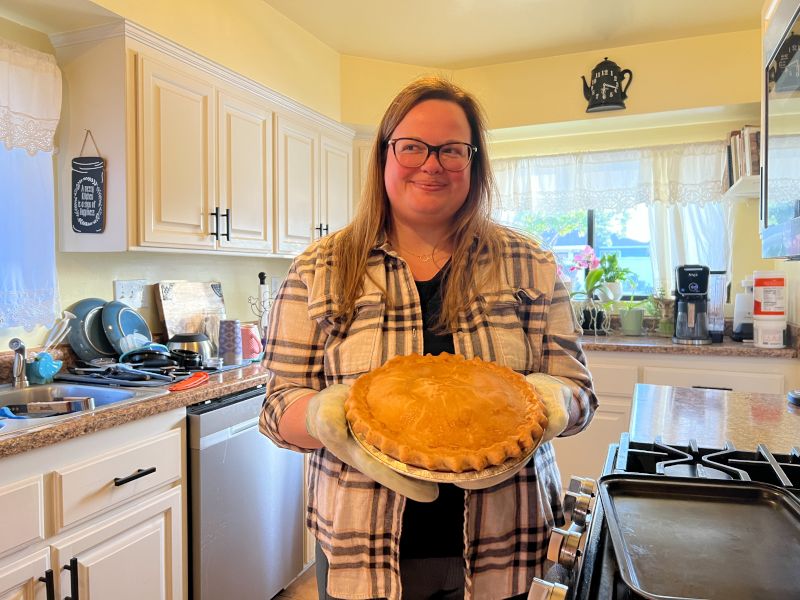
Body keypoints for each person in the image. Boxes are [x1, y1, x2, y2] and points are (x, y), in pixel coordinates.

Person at [260, 76, 597, 600]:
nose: (431, 164)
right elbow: (277, 409)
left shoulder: (530, 264)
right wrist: (326, 418)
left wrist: (555, 402)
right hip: (362, 555)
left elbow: (579, 393)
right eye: (412, 146)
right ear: (384, 156)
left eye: (452, 150)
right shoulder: (319, 269)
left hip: (508, 553)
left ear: (474, 161)